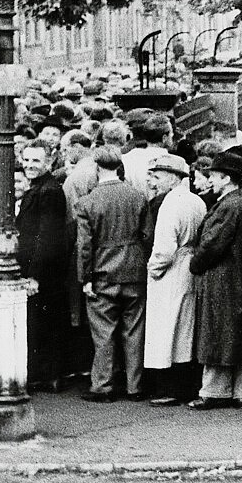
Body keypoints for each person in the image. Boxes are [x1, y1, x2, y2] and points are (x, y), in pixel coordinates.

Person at [75, 145, 152, 402]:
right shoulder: (138, 196)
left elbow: (84, 245)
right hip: (134, 270)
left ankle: (103, 386)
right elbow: (146, 235)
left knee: (104, 332)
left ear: (97, 169)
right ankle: (135, 386)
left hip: (102, 271)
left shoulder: (87, 202)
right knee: (134, 329)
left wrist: (85, 278)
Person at [189, 150, 242, 409]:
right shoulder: (238, 203)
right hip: (236, 275)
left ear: (226, 178)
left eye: (215, 177)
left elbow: (212, 244)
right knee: (236, 331)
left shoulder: (229, 205)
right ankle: (239, 391)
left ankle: (215, 391)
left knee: (218, 331)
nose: (210, 182)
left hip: (223, 277)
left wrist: (195, 264)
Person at [143, 153, 206, 407]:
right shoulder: (196, 201)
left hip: (172, 268)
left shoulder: (170, 204)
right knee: (186, 327)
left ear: (172, 178)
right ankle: (186, 384)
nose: (152, 182)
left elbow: (164, 249)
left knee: (166, 329)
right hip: (190, 264)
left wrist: (153, 269)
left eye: (157, 177)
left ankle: (169, 387)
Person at [16, 141, 72, 392]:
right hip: (40, 267)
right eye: (26, 160)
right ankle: (47, 374)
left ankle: (49, 375)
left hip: (43, 270)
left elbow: (47, 235)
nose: (29, 165)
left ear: (49, 163)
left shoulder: (48, 191)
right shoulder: (40, 188)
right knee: (41, 323)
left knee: (44, 323)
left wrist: (35, 276)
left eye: (35, 161)